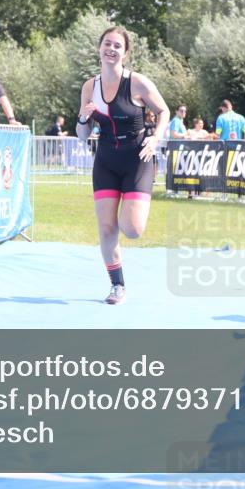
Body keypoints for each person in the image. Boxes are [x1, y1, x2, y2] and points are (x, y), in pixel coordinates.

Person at [76, 26, 169, 305]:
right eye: (107, 44)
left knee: (132, 229)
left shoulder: (138, 83)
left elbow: (163, 111)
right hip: (106, 158)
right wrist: (82, 119)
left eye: (117, 45)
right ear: (99, 49)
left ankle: (132, 213)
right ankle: (117, 286)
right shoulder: (89, 87)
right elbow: (83, 136)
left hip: (137, 158)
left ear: (125, 53)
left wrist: (155, 138)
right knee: (106, 229)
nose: (111, 49)